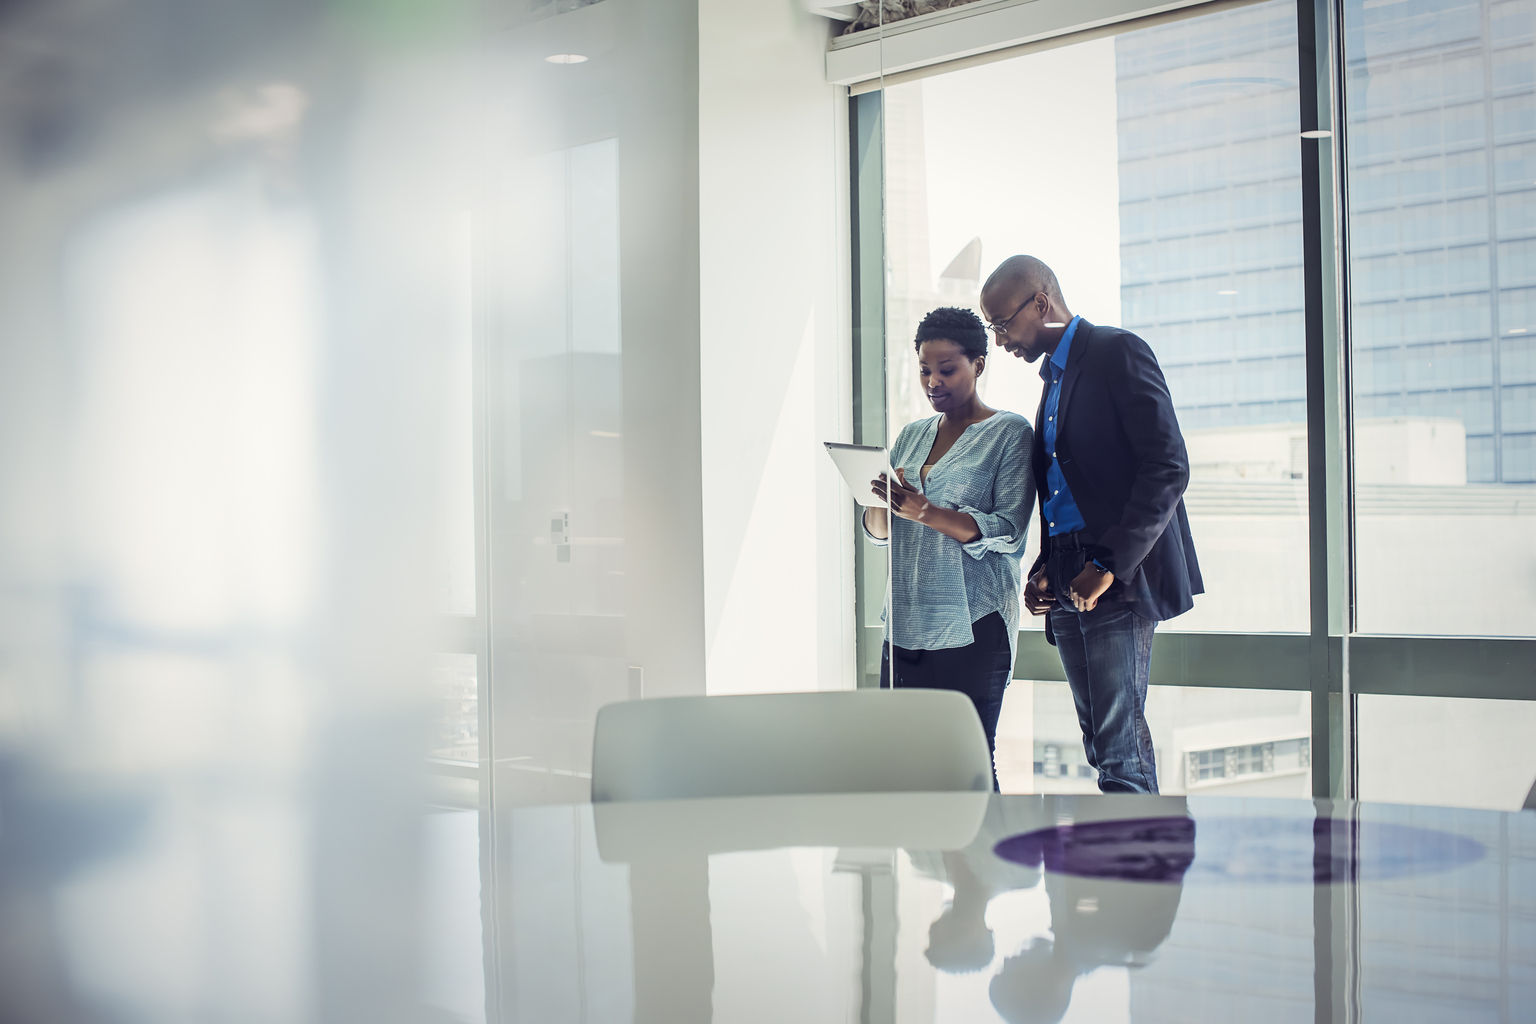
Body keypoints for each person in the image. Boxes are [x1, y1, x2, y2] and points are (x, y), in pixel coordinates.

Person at [979, 256, 1202, 794]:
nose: (1000, 339)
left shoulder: (1115, 353)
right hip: (1071, 574)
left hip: (1116, 577)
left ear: (1040, 302)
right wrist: (1047, 565)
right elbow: (1065, 487)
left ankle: (1141, 873)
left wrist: (1105, 565)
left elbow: (1168, 466)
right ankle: (1122, 868)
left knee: (1120, 751)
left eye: (1002, 323)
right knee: (1100, 746)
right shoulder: (1052, 381)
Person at [863, 306, 1034, 788]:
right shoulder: (911, 436)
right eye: (923, 370)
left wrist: (926, 512)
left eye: (946, 369)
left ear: (979, 364)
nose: (932, 381)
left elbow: (1009, 531)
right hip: (905, 625)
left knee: (969, 765)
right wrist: (880, 498)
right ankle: (916, 865)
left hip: (973, 625)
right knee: (903, 766)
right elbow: (879, 531)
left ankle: (982, 863)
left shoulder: (1009, 433)